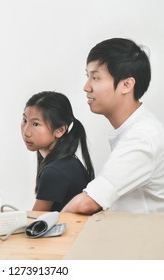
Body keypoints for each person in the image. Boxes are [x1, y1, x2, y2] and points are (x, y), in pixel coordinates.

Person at [62, 38, 164, 214]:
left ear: (126, 85)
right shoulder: (136, 129)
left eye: (95, 78)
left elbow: (87, 203)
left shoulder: (143, 137)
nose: (86, 87)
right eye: (88, 76)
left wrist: (45, 228)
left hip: (144, 240)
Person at [21, 91, 94, 211]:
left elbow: (34, 222)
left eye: (35, 124)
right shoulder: (67, 162)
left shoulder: (54, 172)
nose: (26, 132)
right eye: (25, 121)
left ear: (60, 130)